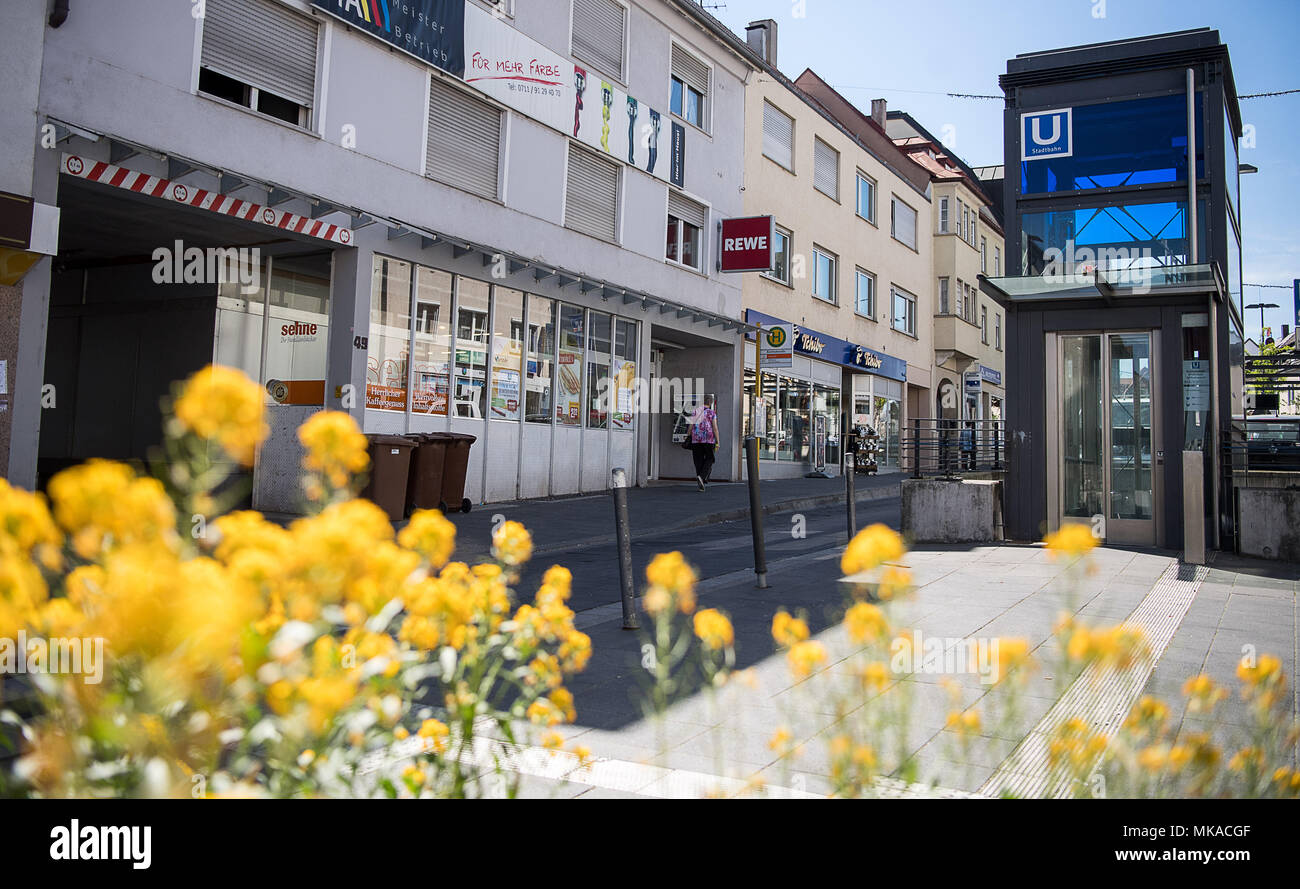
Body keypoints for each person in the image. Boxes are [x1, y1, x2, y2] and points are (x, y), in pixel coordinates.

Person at [689, 394, 720, 491]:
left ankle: (700, 480)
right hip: (708, 439)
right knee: (710, 458)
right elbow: (715, 428)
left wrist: (688, 435)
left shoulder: (695, 412)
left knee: (698, 460)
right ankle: (702, 477)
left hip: (696, 440)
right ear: (710, 402)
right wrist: (718, 441)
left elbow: (690, 426)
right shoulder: (712, 413)